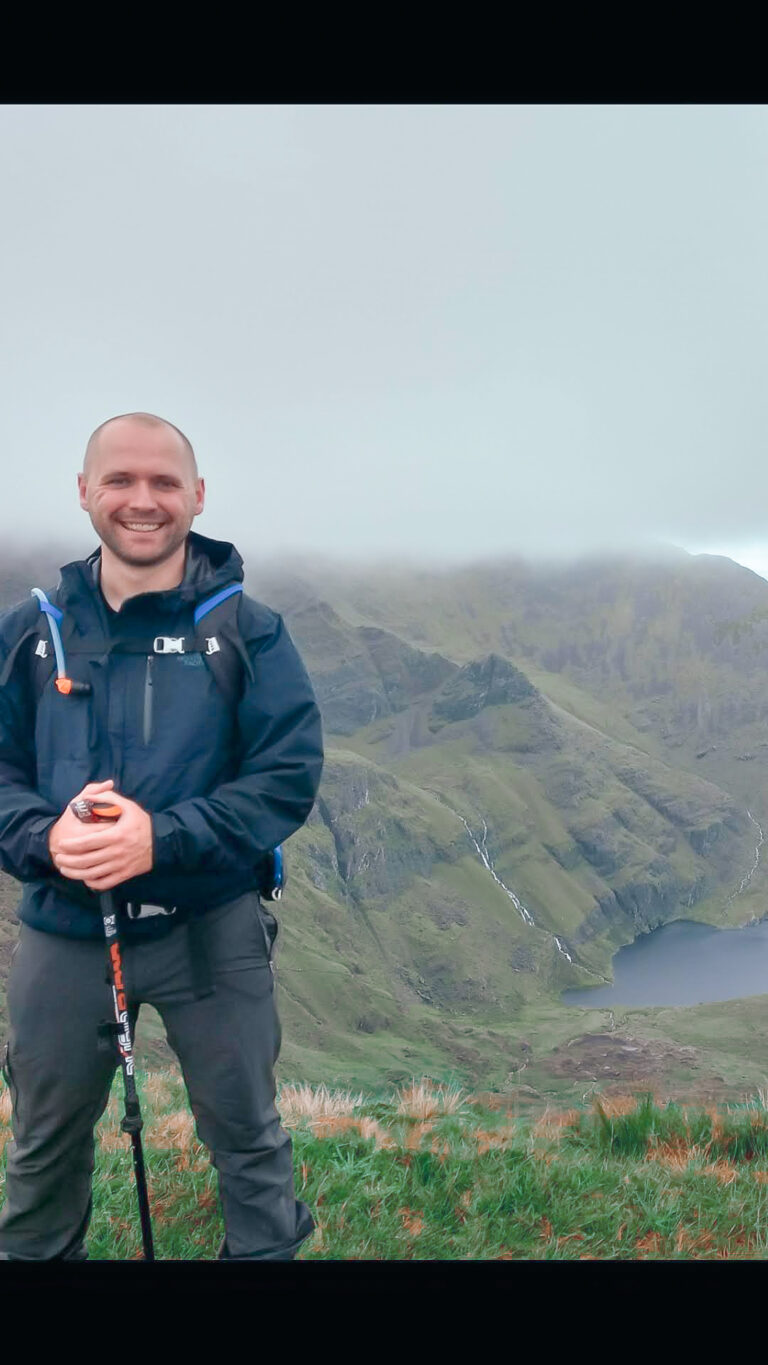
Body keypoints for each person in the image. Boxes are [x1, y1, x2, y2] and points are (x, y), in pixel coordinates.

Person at [0, 412, 324, 1261]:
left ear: (198, 496)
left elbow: (285, 778)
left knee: (248, 1143)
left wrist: (162, 840)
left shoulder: (248, 633)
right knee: (40, 1150)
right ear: (83, 492)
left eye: (164, 482)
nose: (142, 500)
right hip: (64, 929)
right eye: (119, 480)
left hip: (212, 928)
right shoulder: (32, 635)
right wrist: (44, 837)